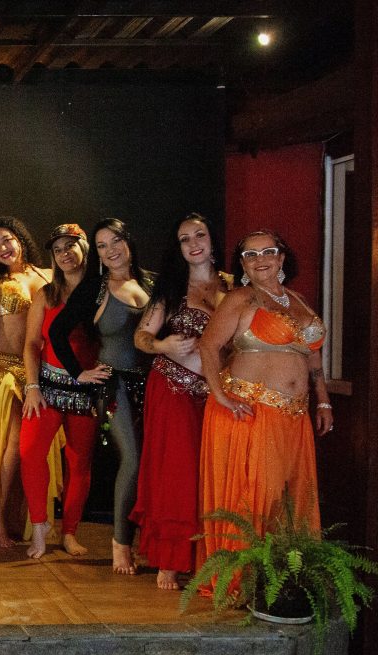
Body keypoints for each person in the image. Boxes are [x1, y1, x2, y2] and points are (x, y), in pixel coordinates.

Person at [197, 229, 329, 569]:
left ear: (281, 258)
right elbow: (208, 346)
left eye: (268, 252)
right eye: (251, 255)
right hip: (252, 412)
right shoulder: (241, 299)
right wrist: (220, 396)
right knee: (259, 497)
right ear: (242, 265)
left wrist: (323, 400)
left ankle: (283, 578)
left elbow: (312, 354)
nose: (260, 260)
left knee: (291, 501)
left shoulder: (298, 300)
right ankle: (245, 578)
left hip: (294, 417)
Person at [132, 213, 232, 589]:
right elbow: (141, 337)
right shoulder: (171, 289)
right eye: (184, 239)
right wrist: (163, 345)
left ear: (212, 239)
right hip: (172, 389)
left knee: (210, 474)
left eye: (199, 235)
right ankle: (170, 560)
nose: (193, 244)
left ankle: (205, 557)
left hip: (216, 395)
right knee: (177, 474)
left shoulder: (235, 288)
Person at [49, 218, 153, 575]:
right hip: (113, 384)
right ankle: (121, 544)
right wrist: (80, 373)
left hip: (152, 383)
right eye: (102, 245)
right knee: (133, 460)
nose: (111, 250)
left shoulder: (151, 282)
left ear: (129, 241)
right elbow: (57, 332)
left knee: (153, 462)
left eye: (116, 241)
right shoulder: (94, 287)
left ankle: (152, 540)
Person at [21, 224, 106, 559]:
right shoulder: (46, 294)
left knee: (79, 461)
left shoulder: (101, 290)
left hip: (87, 388)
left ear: (85, 248)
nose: (64, 254)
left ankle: (70, 531)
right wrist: (31, 386)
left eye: (70, 246)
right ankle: (40, 526)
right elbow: (31, 344)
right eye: (57, 250)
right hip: (47, 385)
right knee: (30, 452)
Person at [0, 216, 54, 547]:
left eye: (7, 239)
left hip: (38, 373)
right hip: (1, 373)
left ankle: (26, 521)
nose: (3, 248)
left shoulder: (47, 276)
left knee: (31, 452)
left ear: (20, 238)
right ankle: (0, 521)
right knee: (9, 449)